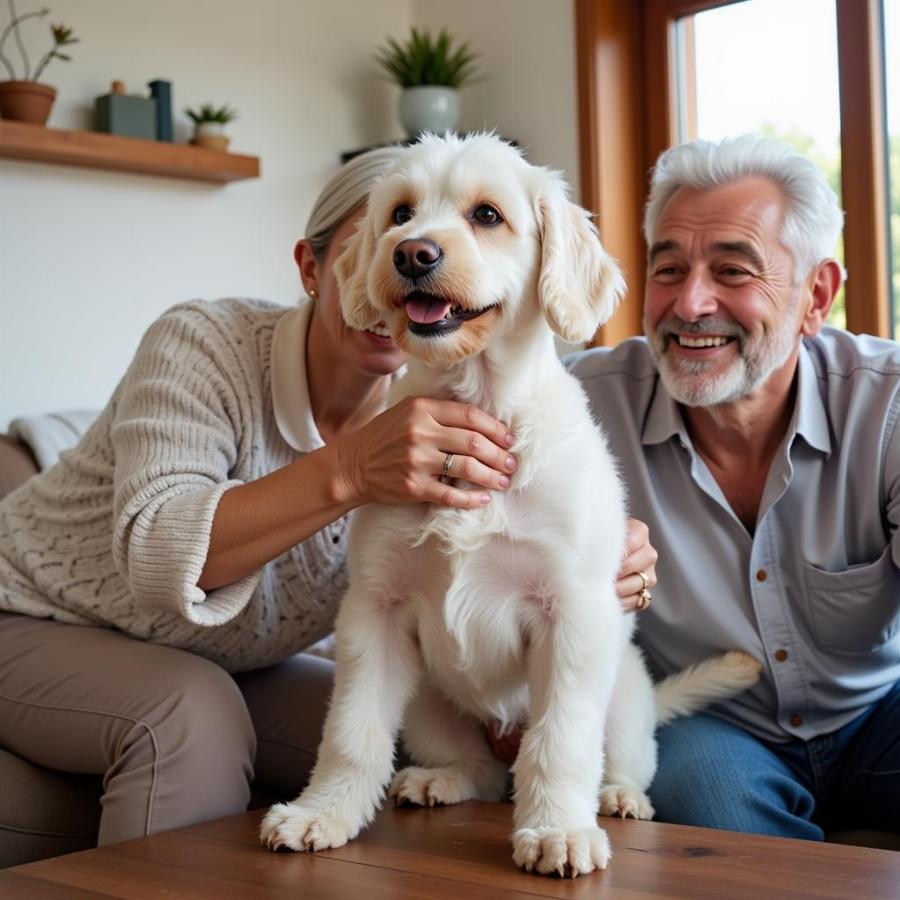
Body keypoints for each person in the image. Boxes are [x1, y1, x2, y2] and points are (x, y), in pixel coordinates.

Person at [0, 145, 656, 846]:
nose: (413, 250)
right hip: (36, 614)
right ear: (318, 269)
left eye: (483, 216)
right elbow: (162, 558)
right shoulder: (201, 345)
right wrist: (349, 470)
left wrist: (603, 550)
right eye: (392, 226)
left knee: (411, 744)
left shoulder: (452, 392)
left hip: (229, 654)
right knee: (192, 717)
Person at [568, 134, 900, 840]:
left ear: (817, 295)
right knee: (709, 815)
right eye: (669, 268)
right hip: (708, 724)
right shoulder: (577, 408)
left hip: (879, 713)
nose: (689, 304)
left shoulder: (889, 404)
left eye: (732, 270)